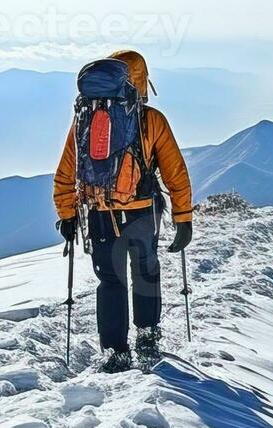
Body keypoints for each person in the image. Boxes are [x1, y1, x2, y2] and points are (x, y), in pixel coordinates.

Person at [54, 50, 194, 371]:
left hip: (100, 214)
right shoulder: (151, 120)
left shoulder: (85, 119)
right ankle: (147, 336)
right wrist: (183, 218)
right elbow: (175, 172)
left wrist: (67, 214)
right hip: (142, 212)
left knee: (110, 281)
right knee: (145, 273)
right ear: (140, 80)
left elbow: (66, 171)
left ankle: (115, 352)